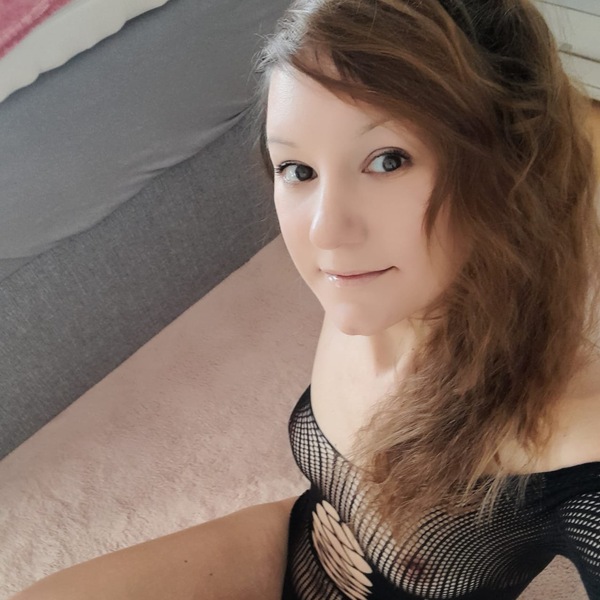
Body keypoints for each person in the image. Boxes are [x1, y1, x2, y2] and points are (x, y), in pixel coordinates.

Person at [11, 0, 600, 599]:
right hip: (294, 540)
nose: (324, 231)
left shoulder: (574, 435)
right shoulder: (379, 283)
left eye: (388, 160)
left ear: (514, 168)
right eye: (297, 170)